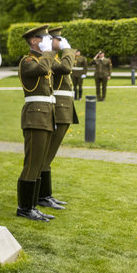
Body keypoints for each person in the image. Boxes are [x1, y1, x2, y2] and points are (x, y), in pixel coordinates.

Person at [16, 25, 58, 222]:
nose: (48, 42)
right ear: (34, 40)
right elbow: (42, 69)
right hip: (35, 117)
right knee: (32, 163)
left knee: (40, 162)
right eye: (44, 38)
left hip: (45, 116)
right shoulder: (28, 61)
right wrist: (49, 52)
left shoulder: (42, 60)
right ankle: (25, 207)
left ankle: (33, 206)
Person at [38, 26, 77, 210]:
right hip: (58, 109)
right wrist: (68, 50)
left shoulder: (53, 59)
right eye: (58, 40)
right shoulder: (49, 60)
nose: (61, 43)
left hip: (65, 108)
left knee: (49, 155)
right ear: (50, 41)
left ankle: (46, 195)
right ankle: (41, 196)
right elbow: (67, 67)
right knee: (46, 154)